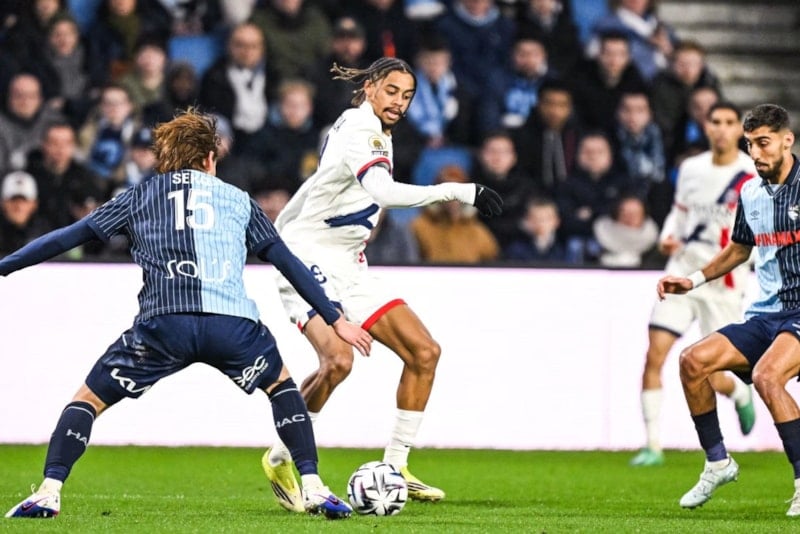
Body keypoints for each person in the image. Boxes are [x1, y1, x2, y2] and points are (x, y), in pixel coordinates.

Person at [2, 109, 372, 520]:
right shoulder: (238, 200)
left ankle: (49, 491)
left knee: (87, 401)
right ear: (210, 158)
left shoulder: (138, 196)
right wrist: (334, 318)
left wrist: (4, 266)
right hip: (232, 327)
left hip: (164, 327)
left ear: (164, 158)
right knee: (282, 388)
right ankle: (314, 487)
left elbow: (65, 238)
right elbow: (288, 262)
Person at [261, 57, 502, 512]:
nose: (399, 102)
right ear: (370, 87)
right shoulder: (360, 127)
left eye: (407, 95)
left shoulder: (374, 130)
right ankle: (279, 457)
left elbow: (330, 188)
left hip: (350, 264)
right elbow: (384, 192)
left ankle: (396, 468)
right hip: (307, 258)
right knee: (338, 360)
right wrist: (460, 190)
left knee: (424, 352)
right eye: (392, 91)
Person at [656, 103, 800, 516]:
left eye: (764, 143)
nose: (755, 153)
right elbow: (740, 249)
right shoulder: (750, 192)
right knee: (692, 361)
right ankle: (718, 462)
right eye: (750, 144)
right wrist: (693, 280)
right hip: (765, 314)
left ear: (787, 141)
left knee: (767, 376)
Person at [630, 101, 758, 468]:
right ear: (707, 127)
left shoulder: (751, 173)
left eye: (729, 122)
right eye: (715, 121)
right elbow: (680, 211)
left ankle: (738, 393)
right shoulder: (691, 168)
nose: (721, 128)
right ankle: (653, 445)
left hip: (723, 283)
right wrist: (667, 236)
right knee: (654, 354)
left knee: (714, 373)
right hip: (681, 273)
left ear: (739, 129)